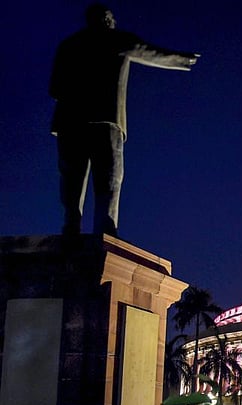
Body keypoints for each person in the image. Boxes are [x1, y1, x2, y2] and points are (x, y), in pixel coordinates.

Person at [50, 3, 199, 237]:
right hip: (106, 120)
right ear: (108, 20)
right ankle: (106, 229)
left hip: (71, 122)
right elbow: (150, 52)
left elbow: (55, 88)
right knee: (108, 178)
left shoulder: (68, 45)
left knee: (72, 178)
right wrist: (183, 60)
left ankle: (72, 226)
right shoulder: (116, 40)